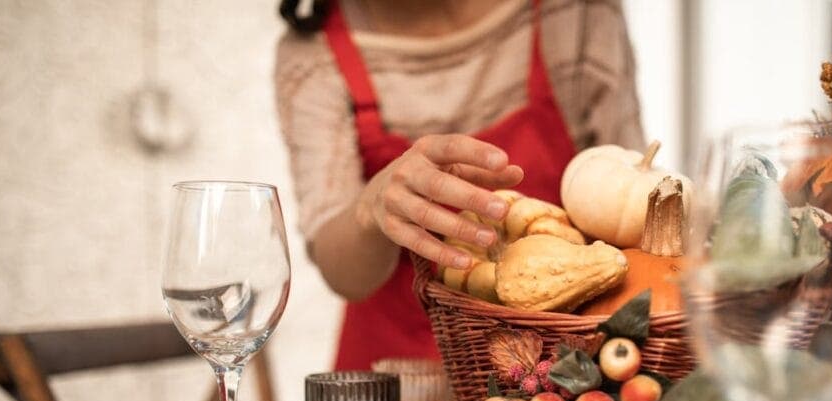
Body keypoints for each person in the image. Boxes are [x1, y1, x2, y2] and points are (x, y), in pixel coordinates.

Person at [275, 0, 644, 370]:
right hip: (396, 377)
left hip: (558, 366)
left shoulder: (574, 12)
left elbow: (630, 210)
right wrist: (372, 209)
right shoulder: (313, 54)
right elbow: (343, 275)